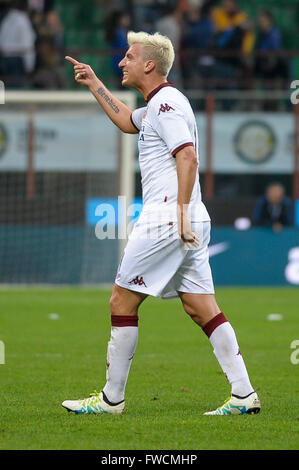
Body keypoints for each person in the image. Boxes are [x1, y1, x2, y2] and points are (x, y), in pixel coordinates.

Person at [63, 31, 261, 416]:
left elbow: (187, 157)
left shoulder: (166, 103)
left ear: (149, 65)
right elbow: (126, 120)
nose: (122, 62)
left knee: (122, 300)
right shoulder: (158, 105)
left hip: (169, 217)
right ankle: (243, 395)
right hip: (187, 216)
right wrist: (95, 83)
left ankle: (110, 400)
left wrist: (181, 212)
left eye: (129, 56)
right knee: (201, 306)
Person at [0, 0, 36, 88]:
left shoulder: (7, 19)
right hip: (17, 61)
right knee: (17, 92)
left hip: (5, 59)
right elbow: (27, 45)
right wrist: (29, 65)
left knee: (7, 92)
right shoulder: (23, 19)